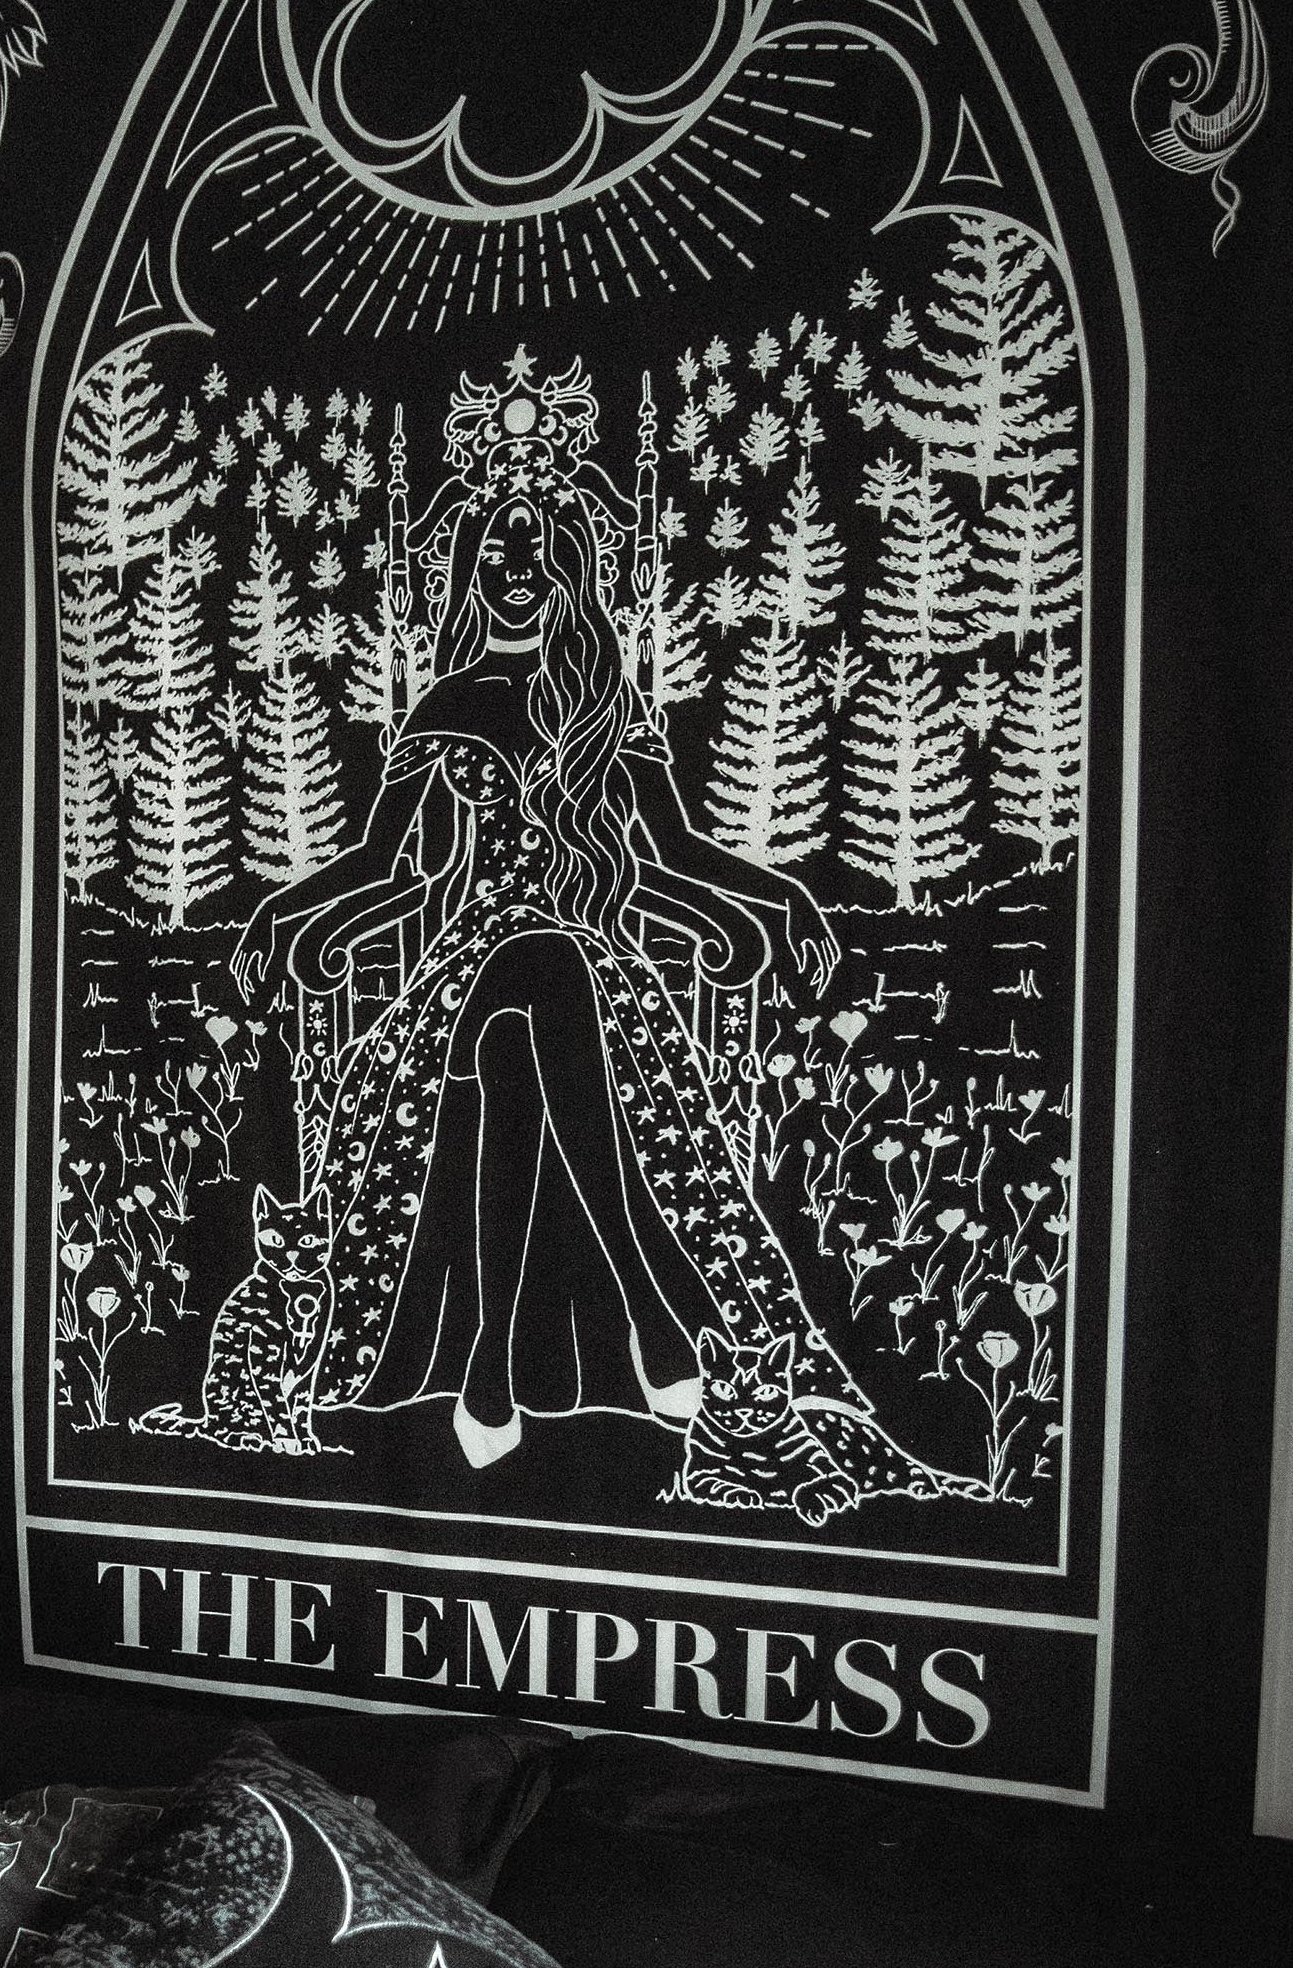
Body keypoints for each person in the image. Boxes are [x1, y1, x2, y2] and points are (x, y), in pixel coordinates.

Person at [230, 367, 842, 1470]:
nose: (515, 570)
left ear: (568, 567)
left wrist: (779, 895)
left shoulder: (607, 704)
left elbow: (673, 858)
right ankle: (651, 1306)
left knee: (530, 1022)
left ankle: (492, 1366)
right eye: (495, 553)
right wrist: (285, 912)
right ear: (472, 572)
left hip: (578, 979)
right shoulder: (448, 703)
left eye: (538, 550)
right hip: (463, 972)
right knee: (528, 969)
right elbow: (387, 866)